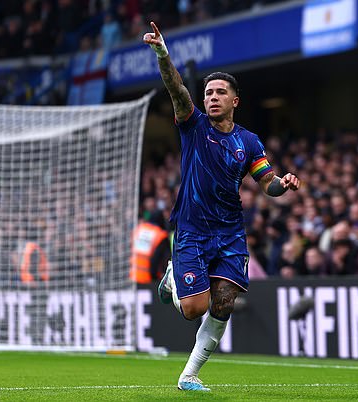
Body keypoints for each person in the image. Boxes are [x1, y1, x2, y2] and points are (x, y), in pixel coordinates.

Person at [143, 22, 300, 392]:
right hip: (193, 228)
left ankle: (189, 375)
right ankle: (172, 277)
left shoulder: (249, 142)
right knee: (195, 308)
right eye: (209, 92)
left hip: (230, 231)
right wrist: (163, 55)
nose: (211, 97)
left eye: (219, 92)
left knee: (225, 301)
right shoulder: (193, 125)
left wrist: (284, 184)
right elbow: (177, 89)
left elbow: (268, 183)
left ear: (235, 101)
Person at [130, 211, 171, 284]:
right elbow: (158, 259)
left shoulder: (139, 229)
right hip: (148, 279)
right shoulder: (160, 235)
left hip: (133, 276)